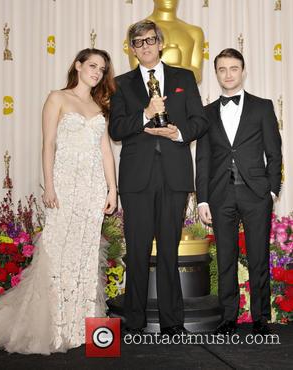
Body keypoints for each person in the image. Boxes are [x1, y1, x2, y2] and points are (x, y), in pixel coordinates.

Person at [0, 48, 117, 354]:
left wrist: (112, 190)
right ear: (77, 66)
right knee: (57, 253)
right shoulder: (57, 98)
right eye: (92, 66)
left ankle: (81, 326)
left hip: (93, 189)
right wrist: (49, 186)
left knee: (86, 255)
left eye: (101, 69)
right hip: (63, 186)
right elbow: (48, 145)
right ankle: (54, 327)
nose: (96, 72)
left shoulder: (100, 106)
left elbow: (105, 152)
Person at [109, 20, 208, 336]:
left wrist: (178, 132)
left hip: (174, 176)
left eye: (150, 39)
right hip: (136, 179)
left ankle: (173, 322)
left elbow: (200, 122)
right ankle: (135, 322)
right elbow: (116, 129)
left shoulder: (184, 78)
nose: (146, 46)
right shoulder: (121, 84)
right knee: (136, 252)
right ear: (132, 49)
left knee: (168, 251)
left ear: (160, 43)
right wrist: (144, 114)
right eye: (138, 42)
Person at [196, 48, 282, 336]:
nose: (228, 74)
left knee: (259, 257)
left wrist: (271, 191)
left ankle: (261, 318)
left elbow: (274, 152)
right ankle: (228, 317)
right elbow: (204, 159)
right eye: (222, 69)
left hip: (256, 193)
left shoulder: (262, 107)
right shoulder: (206, 113)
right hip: (220, 196)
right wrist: (203, 198)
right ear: (216, 73)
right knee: (226, 258)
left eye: (233, 68)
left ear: (243, 71)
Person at [124, 0, 204, 83]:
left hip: (183, 94)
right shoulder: (136, 31)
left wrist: (174, 68)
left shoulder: (194, 32)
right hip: (146, 94)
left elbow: (197, 75)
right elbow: (136, 71)